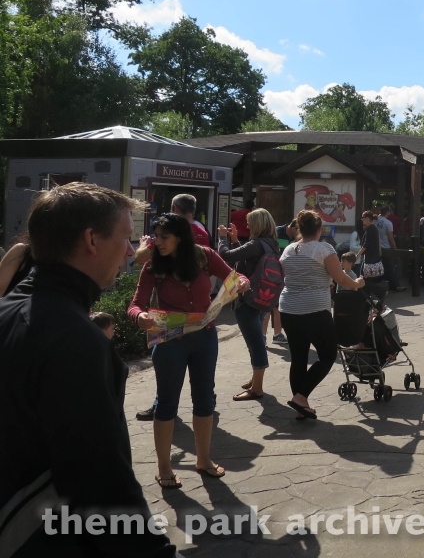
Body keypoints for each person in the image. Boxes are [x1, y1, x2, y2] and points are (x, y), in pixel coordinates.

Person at [0, 182, 176, 556]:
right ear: (91, 240)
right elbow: (99, 479)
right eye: (127, 238)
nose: (131, 251)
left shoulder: (12, 309)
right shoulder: (75, 338)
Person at [129, 213, 248, 487]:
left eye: (163, 237)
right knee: (167, 402)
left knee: (205, 399)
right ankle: (164, 467)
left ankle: (203, 460)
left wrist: (242, 282)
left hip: (205, 338)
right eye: (155, 236)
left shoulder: (204, 256)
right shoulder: (153, 268)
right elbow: (135, 304)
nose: (157, 242)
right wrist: (140, 317)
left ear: (180, 237)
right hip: (170, 343)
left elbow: (234, 276)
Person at [279, 210, 365, 419]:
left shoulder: (288, 251)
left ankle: (301, 404)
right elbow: (341, 279)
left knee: (298, 357)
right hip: (315, 309)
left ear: (299, 229)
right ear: (319, 230)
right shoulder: (324, 249)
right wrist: (357, 284)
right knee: (327, 355)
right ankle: (301, 397)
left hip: (289, 308)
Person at [217, 208, 281, 401]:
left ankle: (257, 388)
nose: (248, 226)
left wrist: (222, 238)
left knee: (255, 343)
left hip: (248, 300)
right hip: (262, 298)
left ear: (258, 224)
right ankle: (255, 380)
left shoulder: (256, 244)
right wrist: (236, 240)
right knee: (256, 340)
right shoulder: (271, 244)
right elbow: (246, 261)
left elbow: (227, 256)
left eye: (250, 223)